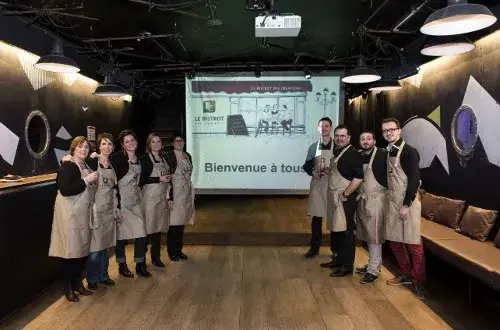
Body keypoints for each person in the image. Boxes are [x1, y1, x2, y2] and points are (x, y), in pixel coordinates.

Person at [381, 118, 427, 299]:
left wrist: (406, 205)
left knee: (413, 243)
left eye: (392, 130)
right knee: (394, 241)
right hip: (392, 201)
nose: (388, 133)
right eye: (385, 131)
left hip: (408, 203)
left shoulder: (409, 152)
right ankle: (405, 273)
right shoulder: (387, 151)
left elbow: (414, 181)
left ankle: (419, 281)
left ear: (399, 131)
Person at [49, 136, 98, 302]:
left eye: (86, 147)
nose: (83, 150)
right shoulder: (68, 166)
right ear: (73, 149)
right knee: (69, 253)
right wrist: (86, 180)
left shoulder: (86, 165)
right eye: (80, 147)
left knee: (81, 252)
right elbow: (65, 189)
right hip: (70, 215)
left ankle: (78, 284)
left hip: (82, 214)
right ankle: (68, 288)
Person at [110, 130, 151, 278]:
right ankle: (122, 265)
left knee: (141, 232)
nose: (130, 143)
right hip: (122, 201)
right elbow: (109, 177)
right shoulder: (116, 159)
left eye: (132, 140)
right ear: (122, 144)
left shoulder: (141, 159)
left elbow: (144, 178)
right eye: (126, 141)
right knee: (121, 235)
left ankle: (140, 263)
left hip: (136, 200)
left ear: (136, 141)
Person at [326, 125, 363, 277]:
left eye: (342, 136)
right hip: (335, 197)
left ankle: (347, 267)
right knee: (336, 230)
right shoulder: (338, 152)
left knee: (346, 232)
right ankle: (337, 260)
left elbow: (358, 177)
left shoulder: (353, 154)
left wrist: (346, 194)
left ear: (348, 138)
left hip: (345, 199)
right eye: (337, 135)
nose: (339, 138)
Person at [85, 133, 119, 289]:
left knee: (106, 246)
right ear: (98, 146)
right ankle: (91, 278)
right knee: (95, 247)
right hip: (95, 210)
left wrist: (116, 207)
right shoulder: (92, 162)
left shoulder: (113, 165)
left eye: (110, 144)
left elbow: (115, 189)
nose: (107, 147)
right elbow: (76, 163)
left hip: (109, 209)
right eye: (104, 144)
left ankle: (103, 275)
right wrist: (68, 159)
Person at [354, 131, 388, 284]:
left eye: (369, 138)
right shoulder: (359, 155)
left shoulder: (383, 155)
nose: (365, 141)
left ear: (374, 140)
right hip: (362, 199)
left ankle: (373, 271)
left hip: (376, 200)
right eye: (362, 139)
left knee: (374, 236)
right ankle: (373, 264)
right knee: (367, 234)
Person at [302, 117, 334, 258]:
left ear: (331, 128)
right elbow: (307, 165)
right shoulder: (313, 147)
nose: (324, 128)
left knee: (334, 219)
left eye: (327, 126)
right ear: (318, 128)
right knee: (317, 219)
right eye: (321, 126)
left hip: (333, 185)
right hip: (318, 185)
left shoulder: (338, 146)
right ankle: (314, 248)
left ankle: (335, 249)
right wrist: (312, 172)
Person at [140, 132, 173, 267]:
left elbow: (169, 180)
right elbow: (140, 180)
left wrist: (170, 197)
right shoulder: (145, 159)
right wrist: (158, 179)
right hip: (149, 199)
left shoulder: (164, 159)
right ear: (149, 144)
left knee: (158, 230)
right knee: (147, 230)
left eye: (158, 141)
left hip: (162, 198)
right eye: (153, 142)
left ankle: (156, 257)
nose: (156, 144)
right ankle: (140, 261)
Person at [165, 133, 194, 261]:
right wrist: (169, 196)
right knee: (173, 224)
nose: (179, 143)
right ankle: (172, 251)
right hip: (175, 192)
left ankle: (179, 249)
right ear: (172, 143)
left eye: (181, 140)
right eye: (176, 141)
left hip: (186, 192)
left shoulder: (188, 156)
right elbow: (167, 177)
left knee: (182, 223)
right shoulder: (169, 156)